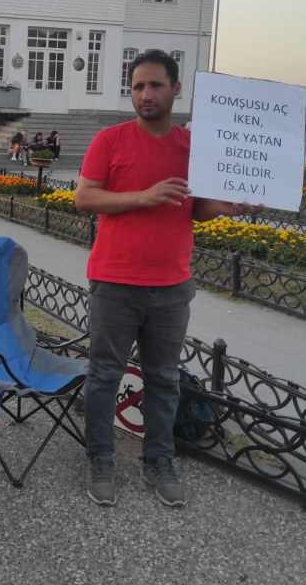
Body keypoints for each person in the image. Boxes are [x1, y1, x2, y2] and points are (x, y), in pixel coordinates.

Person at [75, 50, 262, 509]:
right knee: (104, 374)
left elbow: (195, 208)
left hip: (171, 284)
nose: (145, 94)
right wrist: (143, 196)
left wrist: (227, 206)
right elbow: (85, 198)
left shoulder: (194, 147)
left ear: (176, 89)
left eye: (155, 85)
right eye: (138, 86)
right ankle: (100, 458)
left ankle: (159, 460)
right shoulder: (110, 140)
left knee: (163, 378)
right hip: (115, 281)